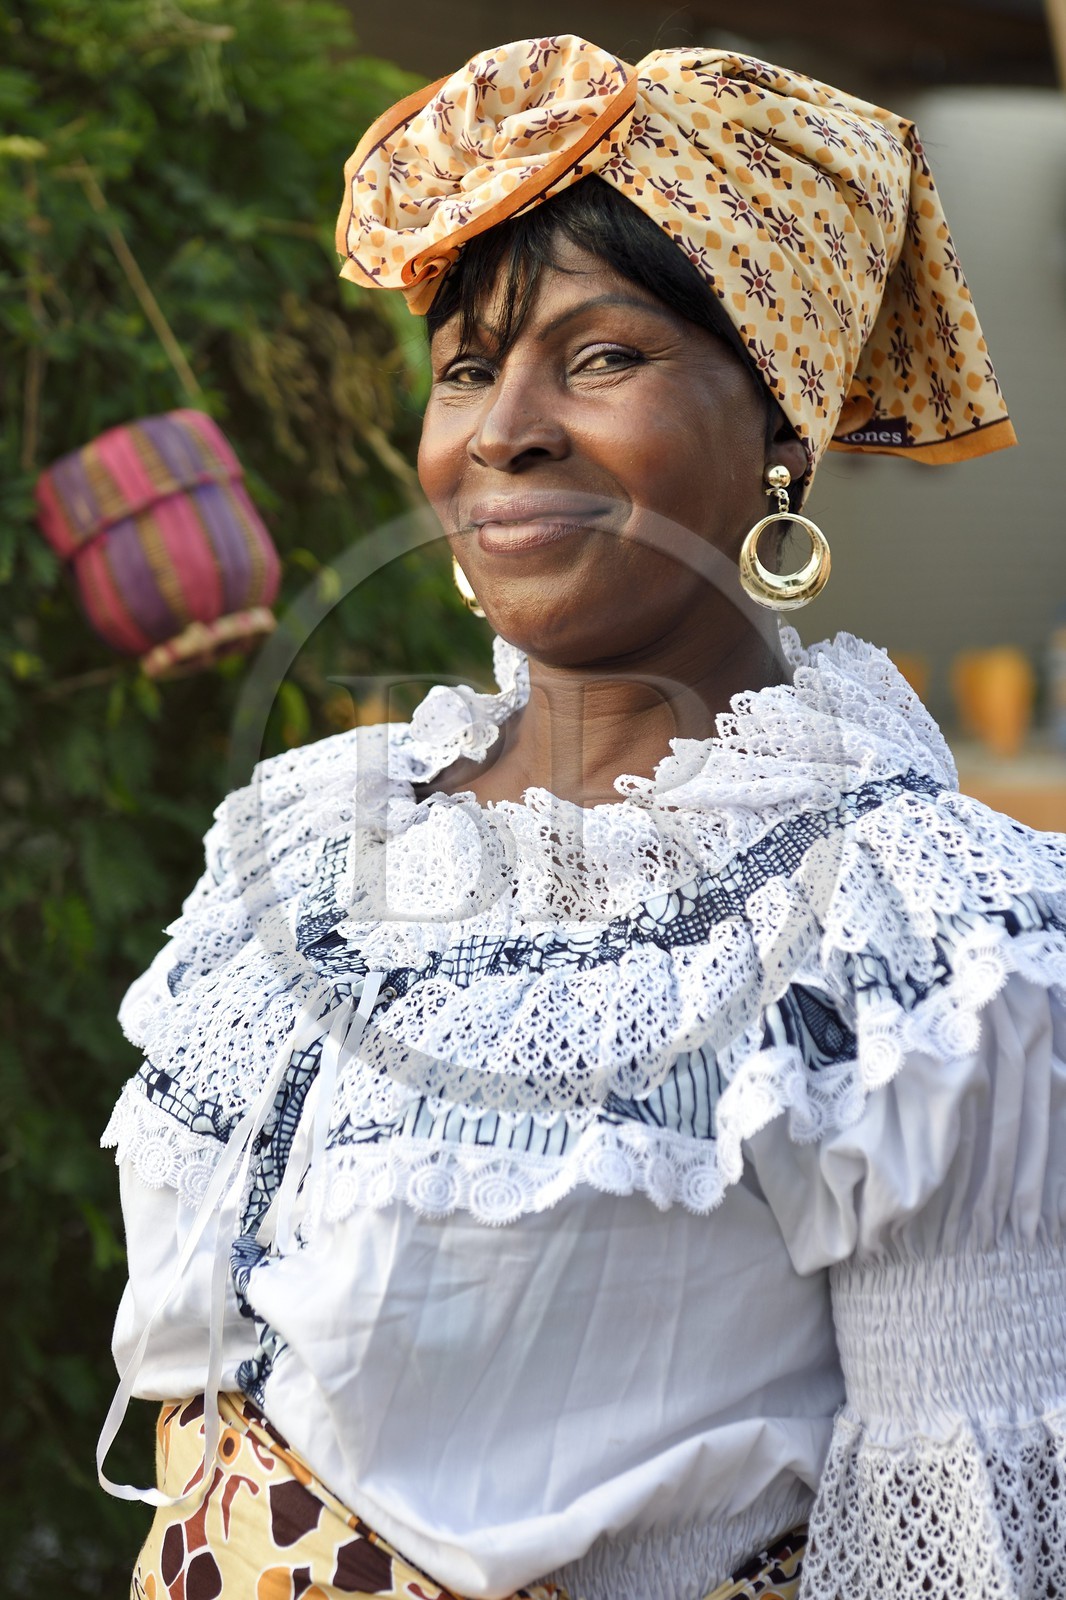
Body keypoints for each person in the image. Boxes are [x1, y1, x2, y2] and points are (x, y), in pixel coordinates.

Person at [102, 34, 1066, 1600]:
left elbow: (959, 1540)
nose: (505, 428)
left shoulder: (922, 945)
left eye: (603, 356)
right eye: (465, 368)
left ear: (782, 427)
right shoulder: (317, 831)